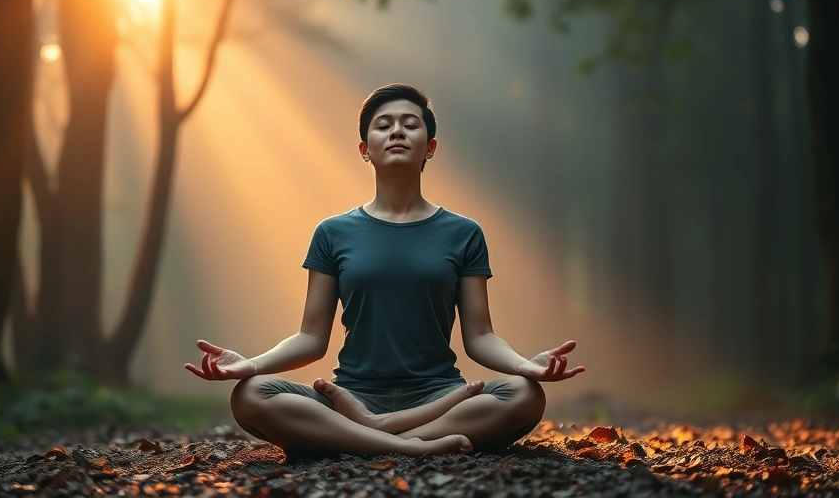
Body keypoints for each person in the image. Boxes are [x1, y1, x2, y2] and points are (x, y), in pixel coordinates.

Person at [186, 83, 585, 458]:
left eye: (410, 124)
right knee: (250, 394)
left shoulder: (464, 233)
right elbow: (311, 337)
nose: (397, 131)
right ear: (365, 148)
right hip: (351, 398)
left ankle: (363, 437)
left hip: (439, 399)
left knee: (526, 394)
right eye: (384, 125)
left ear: (430, 147)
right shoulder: (333, 233)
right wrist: (250, 365)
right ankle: (411, 446)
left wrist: (525, 366)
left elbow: (480, 335)